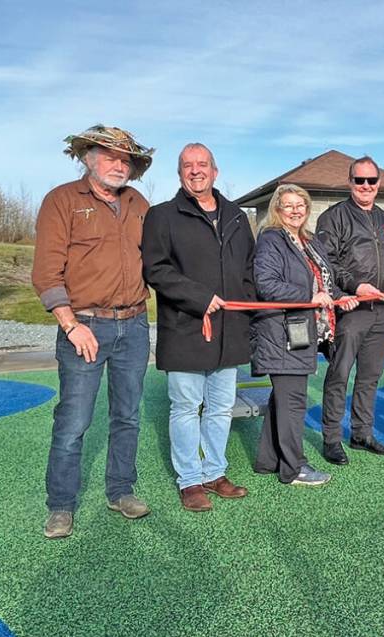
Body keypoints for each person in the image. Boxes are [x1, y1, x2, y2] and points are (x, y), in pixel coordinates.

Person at [32, 124, 155, 539]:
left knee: (128, 416)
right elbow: (46, 271)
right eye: (109, 156)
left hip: (135, 325)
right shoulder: (62, 201)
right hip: (84, 325)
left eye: (126, 160)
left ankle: (120, 490)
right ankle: (61, 505)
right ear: (87, 157)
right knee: (73, 421)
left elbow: (157, 262)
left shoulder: (139, 204)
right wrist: (70, 324)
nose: (119, 165)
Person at [142, 143, 253, 512]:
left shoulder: (237, 216)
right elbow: (156, 270)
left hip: (229, 330)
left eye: (202, 164)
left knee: (221, 408)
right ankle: (190, 480)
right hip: (187, 327)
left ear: (215, 171)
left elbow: (249, 271)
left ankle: (214, 472)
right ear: (179, 174)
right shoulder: (162, 216)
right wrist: (198, 297)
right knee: (187, 407)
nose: (195, 171)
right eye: (187, 166)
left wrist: (246, 310)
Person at [250, 185, 358, 484]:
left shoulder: (309, 241)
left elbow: (325, 282)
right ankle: (294, 467)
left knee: (283, 399)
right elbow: (266, 285)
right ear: (277, 209)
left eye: (301, 205)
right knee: (293, 401)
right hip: (282, 333)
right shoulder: (271, 239)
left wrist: (339, 296)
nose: (295, 210)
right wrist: (311, 296)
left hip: (305, 331)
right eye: (288, 205)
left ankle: (267, 460)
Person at [314, 156, 384, 464]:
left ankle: (361, 433)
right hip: (350, 308)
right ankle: (331, 439)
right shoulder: (333, 217)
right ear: (350, 182)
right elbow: (327, 263)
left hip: (379, 309)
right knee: (339, 375)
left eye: (371, 181)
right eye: (360, 180)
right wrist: (355, 286)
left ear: (379, 183)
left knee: (370, 377)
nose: (366, 186)